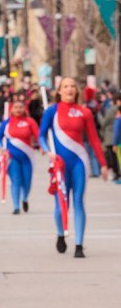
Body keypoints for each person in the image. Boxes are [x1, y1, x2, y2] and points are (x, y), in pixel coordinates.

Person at [39, 77, 108, 258]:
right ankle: (61, 234)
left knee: (78, 201)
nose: (70, 89)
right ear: (59, 91)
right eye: (66, 86)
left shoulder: (84, 112)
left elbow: (93, 139)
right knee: (61, 202)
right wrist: (47, 151)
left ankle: (79, 244)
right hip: (59, 163)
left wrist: (102, 164)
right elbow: (41, 136)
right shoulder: (51, 111)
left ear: (76, 91)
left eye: (72, 86)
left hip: (79, 162)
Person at [0, 100, 40, 214]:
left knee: (27, 181)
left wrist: (42, 147)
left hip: (27, 158)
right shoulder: (6, 123)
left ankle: (24, 198)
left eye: (20, 107)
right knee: (16, 181)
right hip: (12, 157)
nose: (18, 109)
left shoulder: (30, 122)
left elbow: (38, 135)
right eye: (16, 107)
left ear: (24, 109)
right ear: (11, 109)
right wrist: (2, 147)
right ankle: (16, 206)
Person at [101, 94, 121, 181]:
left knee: (114, 157)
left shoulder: (112, 110)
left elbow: (104, 122)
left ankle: (117, 174)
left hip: (111, 136)